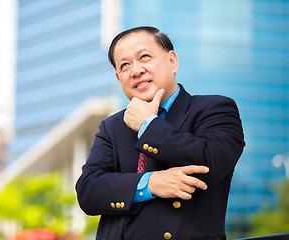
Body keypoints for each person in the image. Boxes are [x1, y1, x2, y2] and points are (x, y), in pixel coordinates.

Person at [75, 26, 245, 240]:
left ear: (172, 61)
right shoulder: (112, 127)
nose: (136, 71)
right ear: (119, 79)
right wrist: (151, 182)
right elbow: (88, 191)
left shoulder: (214, 109)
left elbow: (210, 164)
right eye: (125, 65)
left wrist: (148, 124)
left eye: (144, 57)